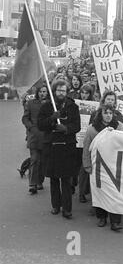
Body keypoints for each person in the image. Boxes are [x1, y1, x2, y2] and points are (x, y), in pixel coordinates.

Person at [38, 80, 81, 219]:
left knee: (66, 179)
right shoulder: (46, 106)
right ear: (54, 91)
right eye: (58, 90)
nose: (61, 93)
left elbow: (77, 126)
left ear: (66, 92)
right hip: (51, 146)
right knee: (54, 179)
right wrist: (52, 119)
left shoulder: (73, 106)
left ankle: (67, 208)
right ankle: (56, 205)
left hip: (67, 146)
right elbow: (40, 125)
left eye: (63, 90)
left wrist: (66, 129)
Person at [83, 105, 123, 232]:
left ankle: (115, 221)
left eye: (110, 113)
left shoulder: (119, 127)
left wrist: (115, 134)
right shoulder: (92, 129)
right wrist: (87, 165)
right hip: (98, 166)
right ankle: (101, 217)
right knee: (100, 192)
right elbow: (86, 148)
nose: (108, 115)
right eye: (105, 113)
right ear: (101, 114)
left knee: (115, 193)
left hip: (114, 166)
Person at [21, 85, 49, 195]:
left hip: (46, 136)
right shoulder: (31, 103)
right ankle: (32, 184)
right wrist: (31, 127)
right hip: (34, 136)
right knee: (34, 159)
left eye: (45, 91)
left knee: (42, 161)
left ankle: (39, 181)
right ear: (38, 92)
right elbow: (25, 118)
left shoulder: (50, 104)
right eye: (41, 91)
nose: (43, 93)